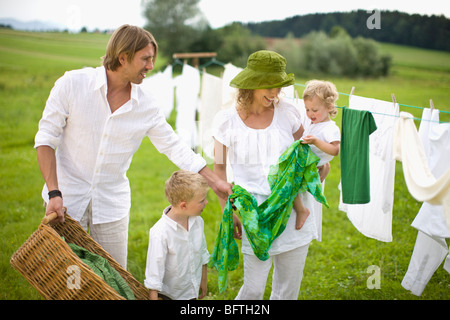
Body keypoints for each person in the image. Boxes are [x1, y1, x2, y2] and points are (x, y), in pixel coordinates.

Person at [34, 24, 232, 268]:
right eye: (145, 59)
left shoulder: (146, 104)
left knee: (115, 279)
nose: (150, 66)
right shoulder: (72, 84)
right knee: (65, 278)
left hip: (111, 206)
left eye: (152, 59)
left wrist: (216, 182)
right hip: (65, 201)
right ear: (123, 57)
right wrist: (54, 192)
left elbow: (174, 146)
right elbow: (45, 140)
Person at [212, 50, 329, 300]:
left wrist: (321, 167)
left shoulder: (288, 112)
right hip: (253, 214)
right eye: (269, 86)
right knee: (253, 290)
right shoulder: (226, 121)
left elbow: (304, 154)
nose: (275, 94)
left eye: (279, 87)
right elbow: (219, 171)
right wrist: (227, 209)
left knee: (287, 290)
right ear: (251, 84)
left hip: (293, 210)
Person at [144, 170, 210, 300]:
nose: (206, 203)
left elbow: (202, 252)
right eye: (202, 200)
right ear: (184, 205)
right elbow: (154, 270)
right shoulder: (160, 232)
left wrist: (203, 281)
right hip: (170, 296)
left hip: (191, 290)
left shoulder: (197, 222)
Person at [293, 80, 341, 230]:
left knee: (288, 182)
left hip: (310, 165)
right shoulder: (313, 123)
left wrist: (315, 141)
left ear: (329, 107)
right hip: (310, 163)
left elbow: (335, 150)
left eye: (314, 110)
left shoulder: (329, 128)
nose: (310, 114)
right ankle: (324, 168)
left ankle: (302, 210)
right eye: (307, 109)